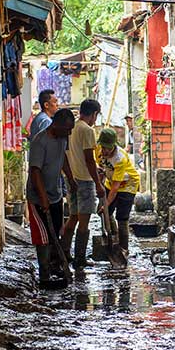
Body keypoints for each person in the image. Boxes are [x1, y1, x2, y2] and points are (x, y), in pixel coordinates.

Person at [26, 108, 76, 284]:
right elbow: (35, 171)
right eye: (67, 129)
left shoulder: (63, 138)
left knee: (56, 232)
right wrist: (43, 197)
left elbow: (62, 157)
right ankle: (44, 274)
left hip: (55, 194)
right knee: (43, 236)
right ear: (57, 124)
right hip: (37, 196)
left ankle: (56, 266)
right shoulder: (40, 141)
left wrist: (70, 178)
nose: (69, 132)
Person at [62, 99, 105, 272]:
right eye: (96, 115)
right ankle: (80, 259)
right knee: (84, 222)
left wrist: (70, 177)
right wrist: (98, 183)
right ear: (94, 114)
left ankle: (64, 252)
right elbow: (89, 158)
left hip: (71, 178)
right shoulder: (87, 130)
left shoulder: (71, 128)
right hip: (85, 180)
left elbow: (66, 155)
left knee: (72, 217)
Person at [96, 127, 141, 254]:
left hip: (128, 184)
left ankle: (123, 248)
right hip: (111, 181)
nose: (105, 151)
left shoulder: (119, 158)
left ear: (114, 145)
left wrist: (106, 204)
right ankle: (113, 237)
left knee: (122, 216)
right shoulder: (98, 150)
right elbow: (99, 166)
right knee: (105, 212)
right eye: (103, 147)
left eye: (108, 148)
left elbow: (116, 188)